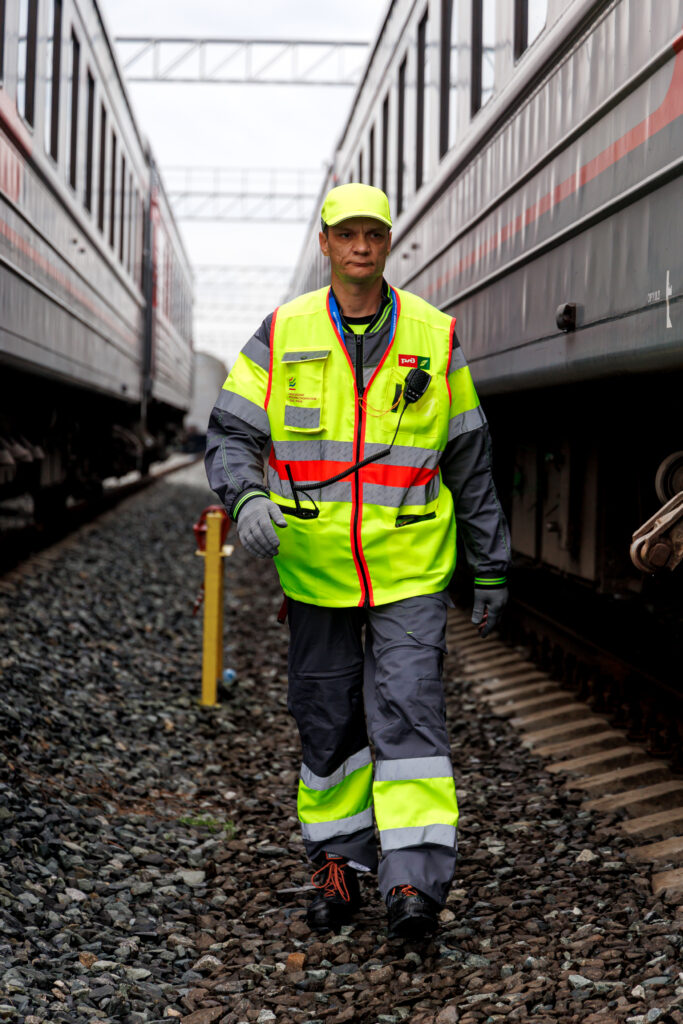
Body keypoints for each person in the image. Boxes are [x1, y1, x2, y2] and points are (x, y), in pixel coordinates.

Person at [205, 183, 510, 940]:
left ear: (387, 241)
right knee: (328, 724)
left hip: (408, 570)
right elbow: (231, 433)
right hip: (314, 572)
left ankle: (413, 883)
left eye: (373, 234)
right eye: (348, 235)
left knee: (409, 716)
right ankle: (337, 867)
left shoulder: (433, 337)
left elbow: (470, 458)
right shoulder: (283, 333)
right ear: (326, 242)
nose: (361, 247)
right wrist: (245, 500)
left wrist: (491, 564)